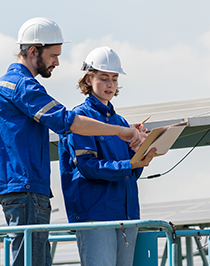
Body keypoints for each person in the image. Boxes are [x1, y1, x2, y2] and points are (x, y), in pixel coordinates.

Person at [0, 19, 141, 266]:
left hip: (15, 187)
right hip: (27, 187)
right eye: (53, 55)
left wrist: (0, 181)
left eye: (114, 78)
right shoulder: (24, 86)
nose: (57, 62)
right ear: (33, 52)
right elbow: (67, 121)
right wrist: (121, 131)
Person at [58, 46, 157, 266]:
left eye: (114, 78)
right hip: (96, 215)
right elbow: (88, 166)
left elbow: (130, 173)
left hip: (126, 214)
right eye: (104, 78)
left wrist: (139, 152)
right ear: (88, 80)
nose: (110, 84)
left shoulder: (121, 123)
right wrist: (129, 163)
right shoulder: (79, 118)